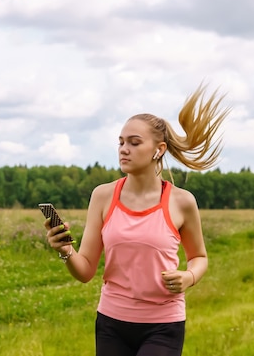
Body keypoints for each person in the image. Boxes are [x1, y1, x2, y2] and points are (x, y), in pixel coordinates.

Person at [44, 84, 229, 356]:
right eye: (120, 142)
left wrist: (189, 277)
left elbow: (199, 257)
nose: (124, 149)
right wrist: (65, 251)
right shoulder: (103, 196)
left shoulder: (182, 202)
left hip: (163, 325)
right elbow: (85, 271)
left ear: (159, 149)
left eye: (134, 142)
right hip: (111, 323)